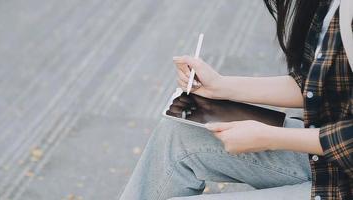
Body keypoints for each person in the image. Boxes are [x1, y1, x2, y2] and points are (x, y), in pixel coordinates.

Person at [120, 0, 352, 199]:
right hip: (331, 158)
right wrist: (220, 86)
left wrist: (272, 138)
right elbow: (319, 85)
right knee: (178, 134)